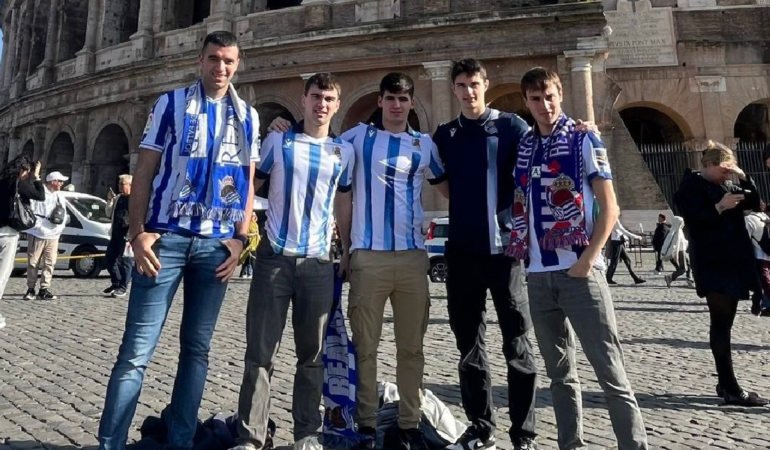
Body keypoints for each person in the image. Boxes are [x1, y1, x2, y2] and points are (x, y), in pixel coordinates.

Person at [98, 30, 259, 450]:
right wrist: (137, 234)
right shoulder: (169, 104)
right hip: (164, 243)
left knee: (197, 352)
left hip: (216, 249)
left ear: (237, 64)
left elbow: (247, 184)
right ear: (200, 60)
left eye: (228, 61)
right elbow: (146, 171)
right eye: (213, 59)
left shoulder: (248, 116)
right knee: (135, 352)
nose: (220, 68)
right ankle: (110, 444)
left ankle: (182, 443)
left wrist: (241, 240)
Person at [508, 67, 648, 449]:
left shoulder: (584, 140)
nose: (545, 105)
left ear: (561, 95)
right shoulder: (525, 147)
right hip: (537, 276)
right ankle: (571, 445)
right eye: (536, 98)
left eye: (550, 96)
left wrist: (587, 259)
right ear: (526, 102)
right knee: (559, 375)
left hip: (579, 273)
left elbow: (611, 208)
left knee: (610, 372)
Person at [231, 73, 354, 450]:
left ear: (336, 105)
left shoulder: (343, 152)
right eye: (315, 96)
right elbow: (252, 185)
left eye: (329, 98)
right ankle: (251, 435)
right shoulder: (278, 140)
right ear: (303, 99)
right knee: (260, 353)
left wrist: (346, 249)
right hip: (274, 259)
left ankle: (306, 433)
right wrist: (239, 232)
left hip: (318, 261)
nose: (321, 103)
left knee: (312, 357)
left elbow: (343, 201)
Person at [431, 59, 537, 450]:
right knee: (469, 347)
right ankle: (480, 425)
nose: (469, 91)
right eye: (462, 85)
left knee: (517, 343)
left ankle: (523, 433)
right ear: (454, 89)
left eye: (475, 84)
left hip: (506, 252)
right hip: (461, 251)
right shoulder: (445, 135)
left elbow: (542, 151)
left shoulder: (511, 126)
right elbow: (443, 185)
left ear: (485, 84)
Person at [674, 141, 768, 407]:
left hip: (733, 261)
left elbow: (755, 201)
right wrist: (720, 206)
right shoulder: (690, 185)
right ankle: (730, 388)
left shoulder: (726, 184)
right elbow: (693, 218)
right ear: (709, 165)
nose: (728, 176)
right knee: (721, 323)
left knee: (725, 323)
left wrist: (743, 175)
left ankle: (724, 383)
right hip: (711, 262)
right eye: (724, 170)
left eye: (730, 171)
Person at [0, 156, 45, 328]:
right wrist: (37, 176)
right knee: (2, 274)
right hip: (8, 233)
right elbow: (40, 195)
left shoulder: (2, 181)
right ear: (23, 170)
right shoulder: (19, 183)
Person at [23, 171, 69, 300]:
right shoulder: (39, 193)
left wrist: (60, 228)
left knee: (50, 263)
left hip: (53, 235)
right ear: (52, 181)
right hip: (38, 233)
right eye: (59, 181)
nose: (61, 183)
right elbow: (30, 211)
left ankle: (44, 288)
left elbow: (64, 213)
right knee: (33, 262)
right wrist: (38, 226)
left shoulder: (60, 196)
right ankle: (31, 288)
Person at [103, 175, 133, 298]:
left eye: (123, 184)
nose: (120, 186)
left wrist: (132, 235)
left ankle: (123, 287)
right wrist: (109, 200)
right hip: (115, 234)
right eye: (120, 183)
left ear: (130, 185)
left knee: (126, 262)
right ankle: (116, 282)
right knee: (109, 259)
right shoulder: (118, 198)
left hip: (127, 235)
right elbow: (109, 213)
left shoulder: (135, 199)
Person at [745, 201, 770, 316]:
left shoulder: (749, 219)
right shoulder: (765, 217)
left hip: (758, 255)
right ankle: (760, 304)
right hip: (767, 253)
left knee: (763, 283)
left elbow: (745, 239)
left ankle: (760, 305)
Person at [605, 215, 645, 285]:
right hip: (616, 242)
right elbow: (621, 229)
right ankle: (608, 278)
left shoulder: (612, 217)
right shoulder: (613, 218)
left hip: (619, 241)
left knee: (627, 260)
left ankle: (635, 278)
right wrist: (635, 236)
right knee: (614, 261)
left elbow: (620, 231)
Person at [661, 216, 692, 288]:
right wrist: (676, 254)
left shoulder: (677, 231)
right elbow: (676, 244)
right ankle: (670, 277)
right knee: (683, 269)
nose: (683, 224)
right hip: (681, 251)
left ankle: (690, 279)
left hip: (682, 250)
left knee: (689, 265)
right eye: (682, 222)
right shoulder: (677, 232)